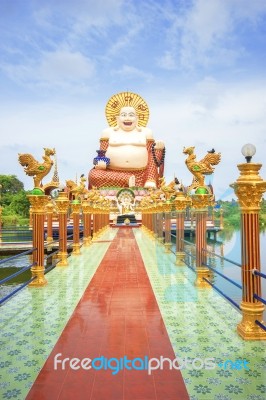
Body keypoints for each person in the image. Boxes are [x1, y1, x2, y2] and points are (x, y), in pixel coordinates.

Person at [88, 92, 165, 188]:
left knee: (157, 148)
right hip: (112, 174)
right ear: (117, 118)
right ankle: (126, 179)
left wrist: (159, 148)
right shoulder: (108, 132)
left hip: (142, 175)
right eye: (123, 115)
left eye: (131, 115)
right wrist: (100, 164)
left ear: (137, 118)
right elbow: (101, 154)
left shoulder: (146, 132)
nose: (127, 118)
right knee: (93, 175)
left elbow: (152, 156)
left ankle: (150, 179)